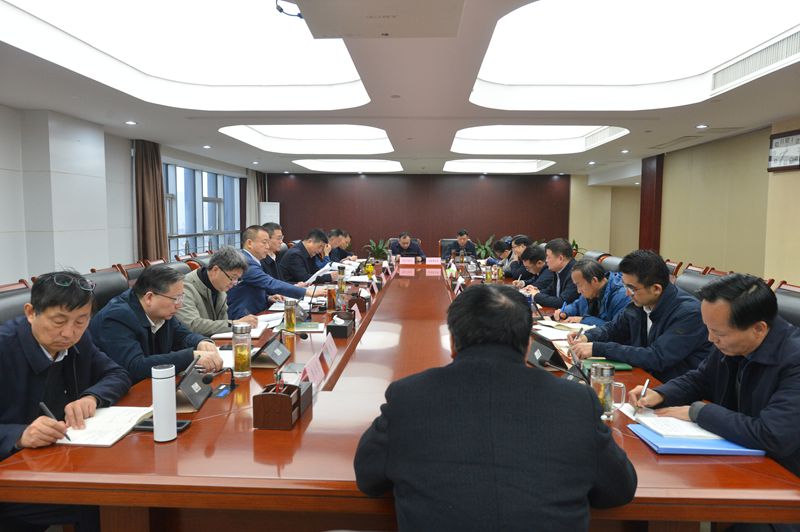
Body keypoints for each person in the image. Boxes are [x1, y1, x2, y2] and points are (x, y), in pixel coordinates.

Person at [354, 284, 637, 532]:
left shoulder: (409, 396)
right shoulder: (576, 401)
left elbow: (369, 480)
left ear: (452, 341)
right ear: (528, 345)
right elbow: (618, 490)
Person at [0, 271, 131, 532]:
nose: (69, 333)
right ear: (30, 313)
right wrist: (19, 435)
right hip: (12, 474)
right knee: (103, 500)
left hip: (59, 460)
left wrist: (92, 396)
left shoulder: (78, 340)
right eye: (59, 321)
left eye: (81, 321)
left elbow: (117, 374)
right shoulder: (4, 348)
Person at [630, 274, 800, 474]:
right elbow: (700, 379)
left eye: (719, 333)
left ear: (759, 329)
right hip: (741, 460)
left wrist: (698, 413)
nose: (711, 339)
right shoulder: (732, 344)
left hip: (784, 475)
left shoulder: (794, 360)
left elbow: (772, 435)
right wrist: (661, 394)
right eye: (708, 329)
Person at [568, 250, 713, 383]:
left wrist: (598, 348)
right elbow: (613, 329)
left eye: (632, 288)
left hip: (674, 388)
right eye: (625, 286)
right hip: (644, 378)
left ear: (656, 289)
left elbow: (656, 357)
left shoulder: (690, 314)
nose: (627, 293)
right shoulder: (640, 303)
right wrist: (587, 337)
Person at [90, 265, 223, 384]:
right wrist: (191, 356)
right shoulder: (116, 318)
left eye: (181, 298)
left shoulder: (161, 311)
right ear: (149, 297)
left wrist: (201, 342)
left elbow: (182, 335)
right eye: (176, 299)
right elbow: (135, 367)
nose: (180, 305)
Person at [227, 225, 312, 319]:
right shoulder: (245, 262)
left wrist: (268, 298)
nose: (267, 247)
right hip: (243, 317)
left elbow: (252, 288)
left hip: (257, 313)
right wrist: (307, 292)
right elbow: (270, 283)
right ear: (250, 243)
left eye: (268, 243)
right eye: (264, 243)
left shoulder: (253, 260)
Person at [176, 246, 259, 336]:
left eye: (237, 279)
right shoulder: (184, 287)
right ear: (215, 270)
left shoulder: (219, 287)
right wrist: (235, 324)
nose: (234, 283)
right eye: (232, 277)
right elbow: (193, 325)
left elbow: (222, 324)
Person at [554, 259, 630, 326]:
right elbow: (577, 305)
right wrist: (565, 312)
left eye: (579, 285)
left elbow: (616, 329)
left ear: (594, 281)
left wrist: (584, 320)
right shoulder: (591, 290)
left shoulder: (622, 296)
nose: (578, 291)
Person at [528, 238, 579, 308]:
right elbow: (550, 290)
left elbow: (562, 302)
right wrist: (536, 291)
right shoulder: (558, 270)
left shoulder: (575, 273)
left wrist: (536, 295)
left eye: (548, 257)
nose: (546, 260)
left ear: (560, 258)